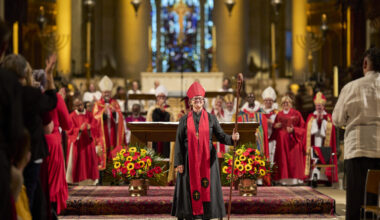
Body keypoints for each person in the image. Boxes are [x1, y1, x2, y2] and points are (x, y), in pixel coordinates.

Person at [172, 82, 239, 220]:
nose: (198, 102)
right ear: (191, 102)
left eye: (201, 99)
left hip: (207, 159)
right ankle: (189, 213)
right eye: (196, 99)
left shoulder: (211, 118)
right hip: (188, 159)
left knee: (208, 185)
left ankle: (208, 214)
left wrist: (232, 138)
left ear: (204, 101)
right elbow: (178, 141)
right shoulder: (184, 120)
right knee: (188, 186)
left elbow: (221, 136)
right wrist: (178, 163)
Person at [2, 54, 57, 220]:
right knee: (29, 199)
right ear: (25, 72)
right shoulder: (29, 94)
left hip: (8, 153)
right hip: (30, 154)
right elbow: (51, 102)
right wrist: (49, 75)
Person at [332, 47, 380, 220]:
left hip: (358, 152)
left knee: (355, 203)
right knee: (375, 205)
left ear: (365, 64)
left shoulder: (352, 87)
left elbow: (337, 119)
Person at [42, 84, 72, 216]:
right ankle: (52, 210)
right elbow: (67, 124)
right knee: (53, 182)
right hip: (52, 141)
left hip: (33, 140)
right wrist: (62, 101)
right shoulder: (56, 98)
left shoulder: (26, 94)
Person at [93, 76, 125, 174]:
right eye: (105, 92)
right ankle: (102, 175)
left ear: (111, 92)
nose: (106, 94)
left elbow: (120, 116)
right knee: (103, 151)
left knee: (113, 150)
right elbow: (94, 117)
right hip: (102, 134)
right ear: (102, 93)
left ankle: (113, 174)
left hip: (113, 132)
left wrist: (115, 113)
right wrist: (103, 115)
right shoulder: (97, 104)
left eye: (108, 92)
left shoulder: (115, 103)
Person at [272, 96, 306, 185]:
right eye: (283, 103)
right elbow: (275, 127)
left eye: (287, 103)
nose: (285, 104)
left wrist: (294, 130)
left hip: (293, 140)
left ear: (291, 103)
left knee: (293, 159)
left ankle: (295, 179)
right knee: (283, 159)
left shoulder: (296, 113)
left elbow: (303, 127)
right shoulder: (279, 114)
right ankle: (283, 179)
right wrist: (275, 126)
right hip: (282, 140)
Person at [305, 92, 337, 186]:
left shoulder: (328, 117)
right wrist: (316, 120)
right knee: (315, 158)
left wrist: (323, 121)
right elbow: (309, 130)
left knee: (323, 158)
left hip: (324, 143)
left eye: (321, 106)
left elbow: (330, 130)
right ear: (315, 106)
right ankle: (313, 177)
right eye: (318, 106)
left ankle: (325, 178)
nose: (319, 107)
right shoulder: (311, 116)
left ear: (324, 106)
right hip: (314, 142)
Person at [66, 98, 99, 185]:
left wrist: (90, 128)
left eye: (80, 105)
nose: (79, 107)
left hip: (88, 142)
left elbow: (95, 126)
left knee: (89, 162)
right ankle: (77, 181)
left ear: (83, 104)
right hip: (78, 143)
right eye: (77, 106)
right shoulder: (71, 116)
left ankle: (91, 181)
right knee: (79, 163)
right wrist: (79, 130)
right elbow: (69, 130)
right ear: (74, 107)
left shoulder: (89, 115)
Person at [146, 85, 174, 158]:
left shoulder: (169, 109)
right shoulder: (152, 109)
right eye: (159, 97)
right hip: (155, 135)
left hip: (166, 136)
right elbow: (149, 121)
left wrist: (164, 111)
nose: (161, 99)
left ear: (165, 98)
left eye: (163, 97)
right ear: (156, 98)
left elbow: (172, 120)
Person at [259, 87, 278, 165]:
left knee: (272, 157)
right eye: (266, 100)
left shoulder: (276, 112)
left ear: (273, 101)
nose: (268, 102)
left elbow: (278, 124)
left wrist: (271, 122)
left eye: (270, 100)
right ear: (263, 101)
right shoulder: (259, 112)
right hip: (261, 139)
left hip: (272, 139)